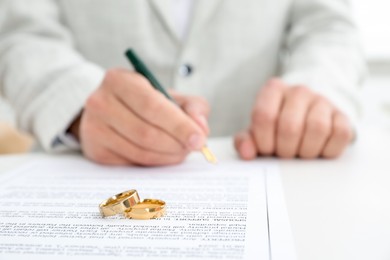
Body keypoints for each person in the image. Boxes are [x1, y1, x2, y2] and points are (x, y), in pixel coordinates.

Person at [0, 0, 365, 166]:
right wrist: (79, 106)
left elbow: (328, 27)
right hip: (81, 167)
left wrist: (316, 94)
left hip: (273, 167)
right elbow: (21, 35)